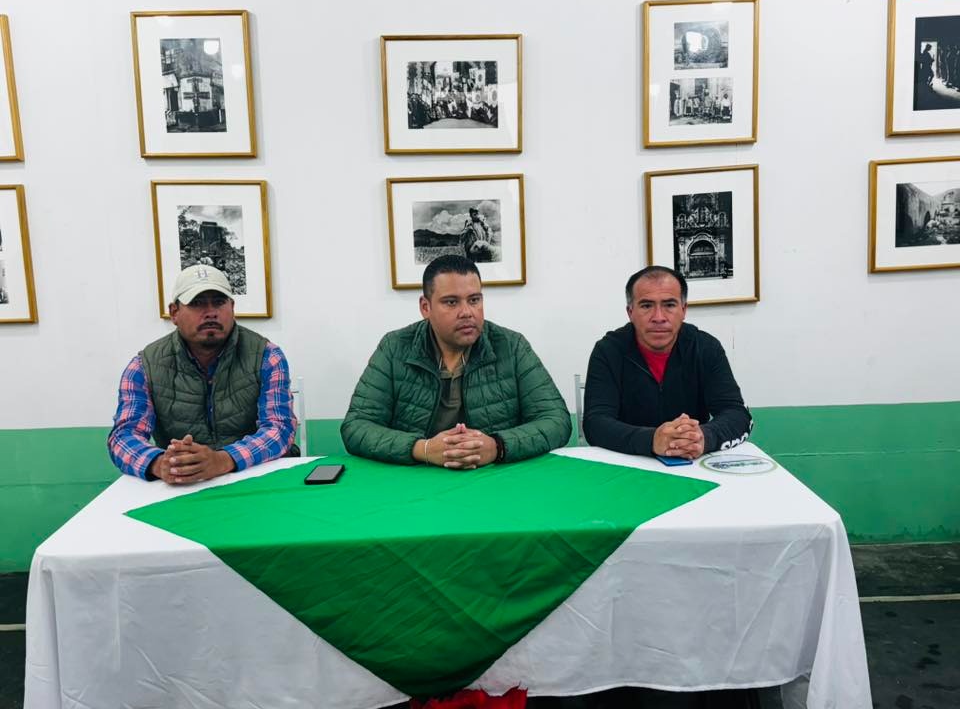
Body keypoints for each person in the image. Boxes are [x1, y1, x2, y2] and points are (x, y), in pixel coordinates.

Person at [341, 254, 571, 468]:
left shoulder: (511, 346)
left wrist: (498, 446)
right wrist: (423, 449)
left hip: (494, 478)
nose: (467, 312)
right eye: (451, 302)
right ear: (425, 307)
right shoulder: (395, 347)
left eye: (474, 300)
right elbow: (356, 426)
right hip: (416, 479)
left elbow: (556, 420)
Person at [108, 265, 297, 484]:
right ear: (174, 312)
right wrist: (161, 464)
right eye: (197, 303)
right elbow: (123, 436)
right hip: (184, 484)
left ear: (232, 307)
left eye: (219, 302)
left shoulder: (267, 356)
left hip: (259, 479)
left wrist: (223, 460)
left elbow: (280, 428)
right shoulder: (145, 366)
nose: (211, 312)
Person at [583, 265, 751, 459]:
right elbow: (595, 423)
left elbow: (737, 414)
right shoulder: (608, 351)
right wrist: (652, 440)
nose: (659, 317)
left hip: (692, 461)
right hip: (627, 462)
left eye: (669, 305)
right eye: (646, 306)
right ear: (630, 312)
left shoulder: (705, 348)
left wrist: (703, 437)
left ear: (683, 310)